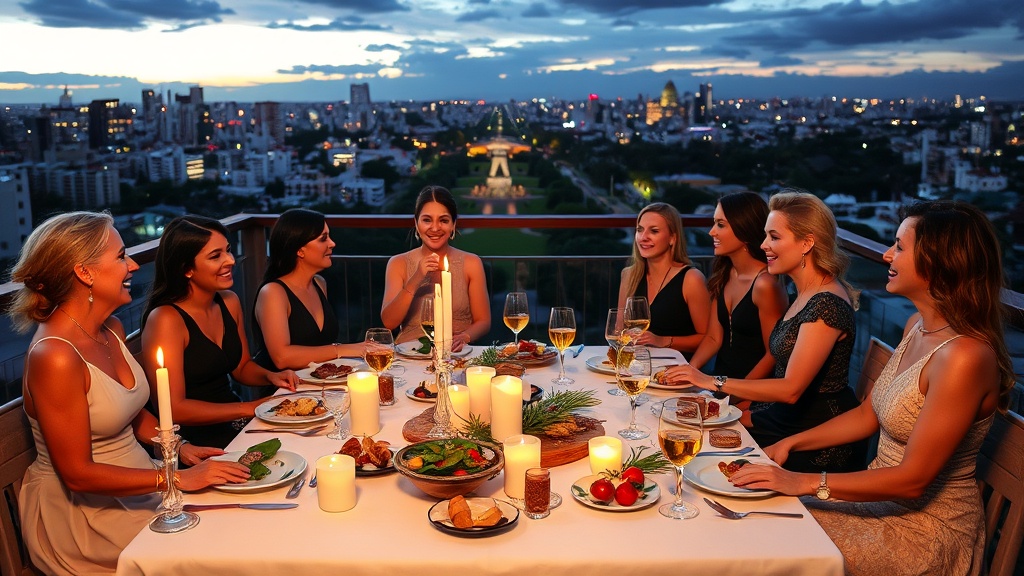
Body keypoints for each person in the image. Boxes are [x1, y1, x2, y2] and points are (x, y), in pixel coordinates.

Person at [730, 201, 1012, 575]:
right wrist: (788, 444)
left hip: (923, 533)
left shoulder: (965, 357)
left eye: (899, 246)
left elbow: (913, 481)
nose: (886, 254)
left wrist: (801, 480)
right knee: (750, 514)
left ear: (938, 261)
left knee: (760, 534)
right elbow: (868, 413)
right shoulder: (918, 325)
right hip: (879, 506)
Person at [8, 212, 250, 575]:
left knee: (242, 519)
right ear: (84, 273)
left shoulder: (111, 328)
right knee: (217, 552)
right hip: (87, 514)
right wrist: (177, 477)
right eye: (121, 256)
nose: (134, 265)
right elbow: (77, 474)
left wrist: (181, 450)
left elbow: (130, 410)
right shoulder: (55, 356)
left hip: (142, 481)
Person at [663, 190, 865, 472]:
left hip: (814, 436)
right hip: (783, 418)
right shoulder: (805, 291)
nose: (764, 245)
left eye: (774, 237)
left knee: (700, 457)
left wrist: (712, 383)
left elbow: (791, 389)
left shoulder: (826, 304)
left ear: (807, 243)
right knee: (681, 427)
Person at [142, 215, 299, 449]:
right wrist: (250, 407)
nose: (230, 260)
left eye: (228, 250)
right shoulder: (166, 319)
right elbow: (174, 408)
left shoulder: (229, 301)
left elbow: (242, 367)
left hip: (235, 421)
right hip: (193, 440)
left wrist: (270, 376)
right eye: (216, 256)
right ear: (186, 269)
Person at [252, 209, 364, 395]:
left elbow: (319, 348)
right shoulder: (273, 292)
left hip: (320, 388)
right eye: (323, 238)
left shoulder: (320, 284)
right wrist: (343, 349)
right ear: (299, 250)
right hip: (285, 393)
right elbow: (282, 357)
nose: (332, 243)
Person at [689, 192, 788, 379]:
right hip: (718, 382)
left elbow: (772, 354)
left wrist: (739, 395)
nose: (712, 232)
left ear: (744, 230)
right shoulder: (725, 272)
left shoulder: (765, 284)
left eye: (720, 225)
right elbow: (713, 338)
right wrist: (689, 370)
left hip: (750, 394)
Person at [381, 185, 491, 350]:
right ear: (416, 224)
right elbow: (389, 322)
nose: (435, 228)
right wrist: (417, 277)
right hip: (410, 356)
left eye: (443, 220)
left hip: (456, 355)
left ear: (453, 225)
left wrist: (464, 337)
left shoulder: (471, 263)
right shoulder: (398, 263)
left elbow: (483, 321)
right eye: (427, 220)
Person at [616, 202, 710, 357]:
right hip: (636, 369)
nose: (643, 237)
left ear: (672, 238)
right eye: (640, 230)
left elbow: (708, 339)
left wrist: (663, 341)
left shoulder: (691, 279)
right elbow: (619, 332)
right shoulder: (629, 275)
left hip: (676, 372)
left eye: (653, 231)